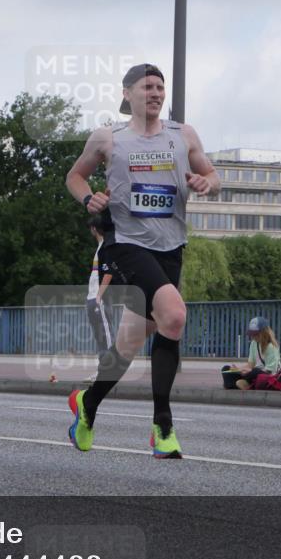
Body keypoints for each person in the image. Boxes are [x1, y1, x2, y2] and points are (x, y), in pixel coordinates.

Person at [64, 63, 219, 459]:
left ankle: (88, 404)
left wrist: (207, 182)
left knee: (129, 345)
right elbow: (75, 177)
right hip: (126, 244)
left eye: (160, 87)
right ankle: (163, 427)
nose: (155, 92)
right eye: (147, 86)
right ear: (128, 93)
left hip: (170, 248)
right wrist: (88, 198)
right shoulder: (107, 138)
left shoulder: (183, 135)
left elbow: (212, 175)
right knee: (175, 314)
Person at [85, 216, 115, 366]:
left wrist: (99, 296)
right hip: (93, 297)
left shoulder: (105, 248)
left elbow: (109, 273)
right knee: (99, 336)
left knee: (106, 334)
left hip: (99, 298)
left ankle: (110, 371)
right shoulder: (100, 248)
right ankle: (101, 371)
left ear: (94, 229)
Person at [235, 317, 281, 390]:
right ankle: (245, 383)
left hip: (267, 374)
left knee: (255, 372)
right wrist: (238, 369)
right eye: (252, 334)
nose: (253, 337)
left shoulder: (271, 347)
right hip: (254, 372)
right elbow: (251, 364)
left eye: (256, 334)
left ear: (264, 332)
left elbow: (271, 370)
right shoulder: (254, 344)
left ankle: (248, 384)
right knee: (226, 370)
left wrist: (250, 371)